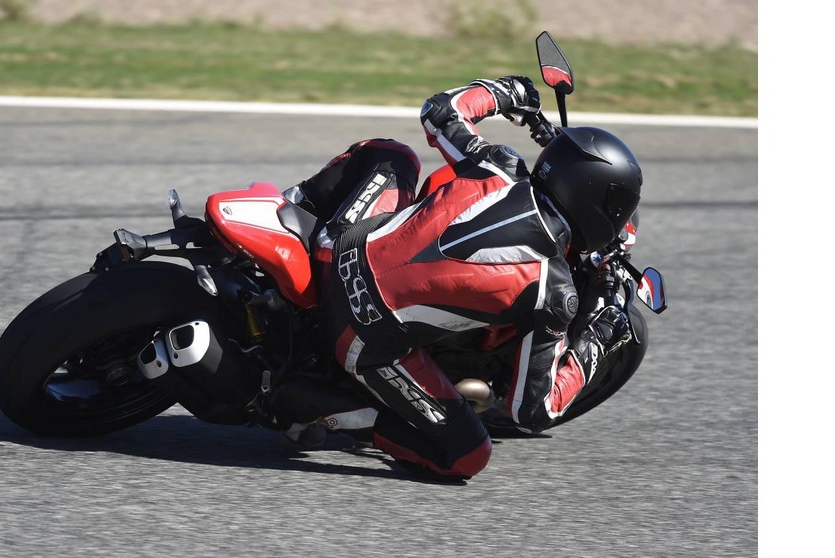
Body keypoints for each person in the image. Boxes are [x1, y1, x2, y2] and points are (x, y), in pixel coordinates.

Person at [267, 75, 643, 481]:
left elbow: (441, 110)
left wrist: (508, 92)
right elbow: (534, 410)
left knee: (393, 155)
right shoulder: (554, 292)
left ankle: (284, 213)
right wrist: (597, 340)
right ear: (600, 210)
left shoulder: (496, 167)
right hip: (359, 338)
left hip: (335, 248)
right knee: (467, 456)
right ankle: (328, 411)